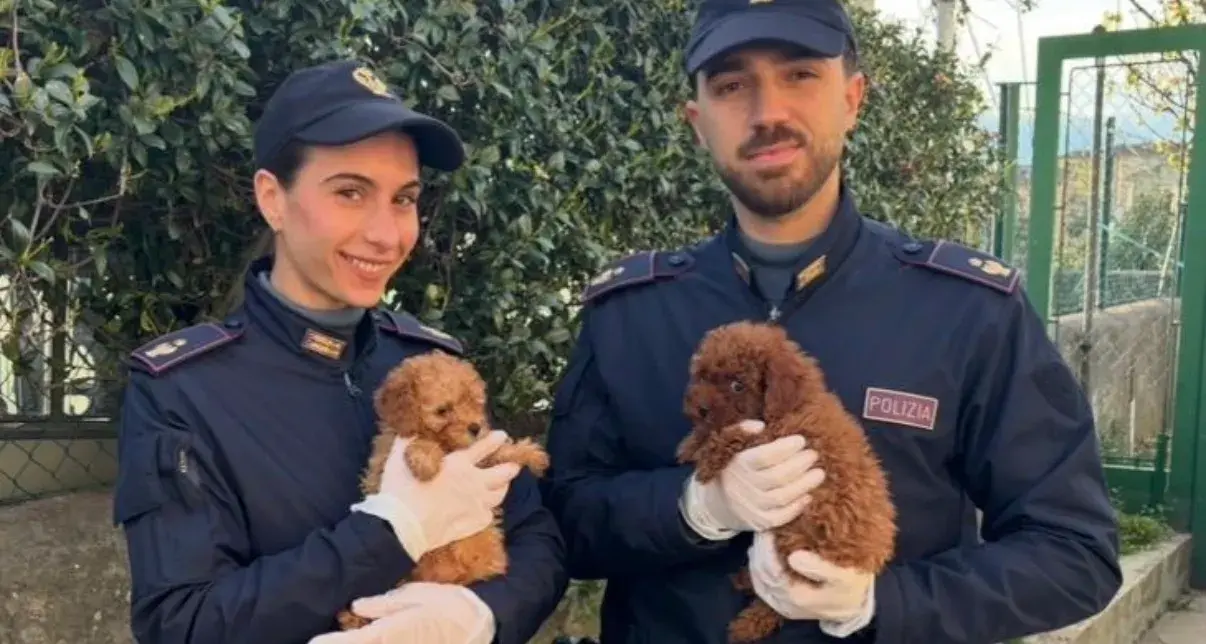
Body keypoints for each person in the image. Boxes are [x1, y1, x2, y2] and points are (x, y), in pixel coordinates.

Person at [540, 1, 1122, 642]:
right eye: (732, 85)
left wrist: (884, 602)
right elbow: (561, 525)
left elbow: (1073, 552)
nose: (767, 113)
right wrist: (692, 508)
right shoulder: (630, 315)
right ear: (697, 122)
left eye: (799, 75)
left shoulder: (965, 311)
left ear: (852, 98)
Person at [111, 59, 567, 644]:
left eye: (404, 199)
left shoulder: (430, 365)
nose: (386, 233)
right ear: (273, 199)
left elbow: (538, 540)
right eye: (350, 192)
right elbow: (182, 622)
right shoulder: (183, 390)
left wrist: (478, 619)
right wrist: (388, 533)